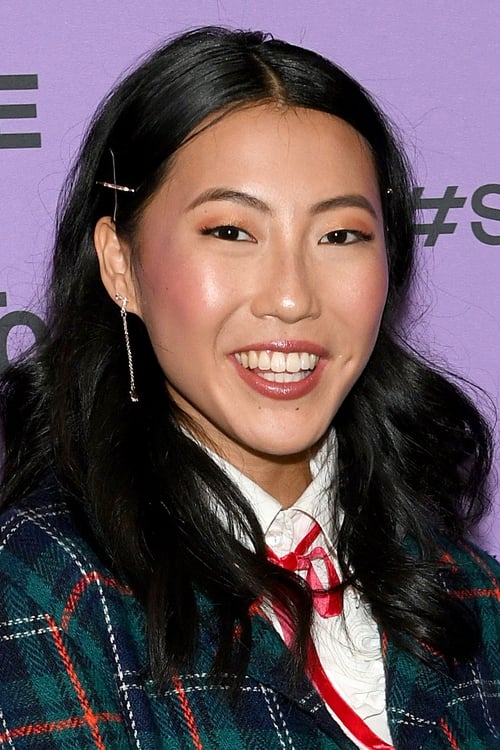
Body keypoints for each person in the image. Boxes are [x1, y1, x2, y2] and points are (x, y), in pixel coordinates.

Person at [0, 26, 498, 750]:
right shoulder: (44, 590)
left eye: (340, 236)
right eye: (232, 232)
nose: (292, 298)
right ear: (120, 264)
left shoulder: (474, 593)